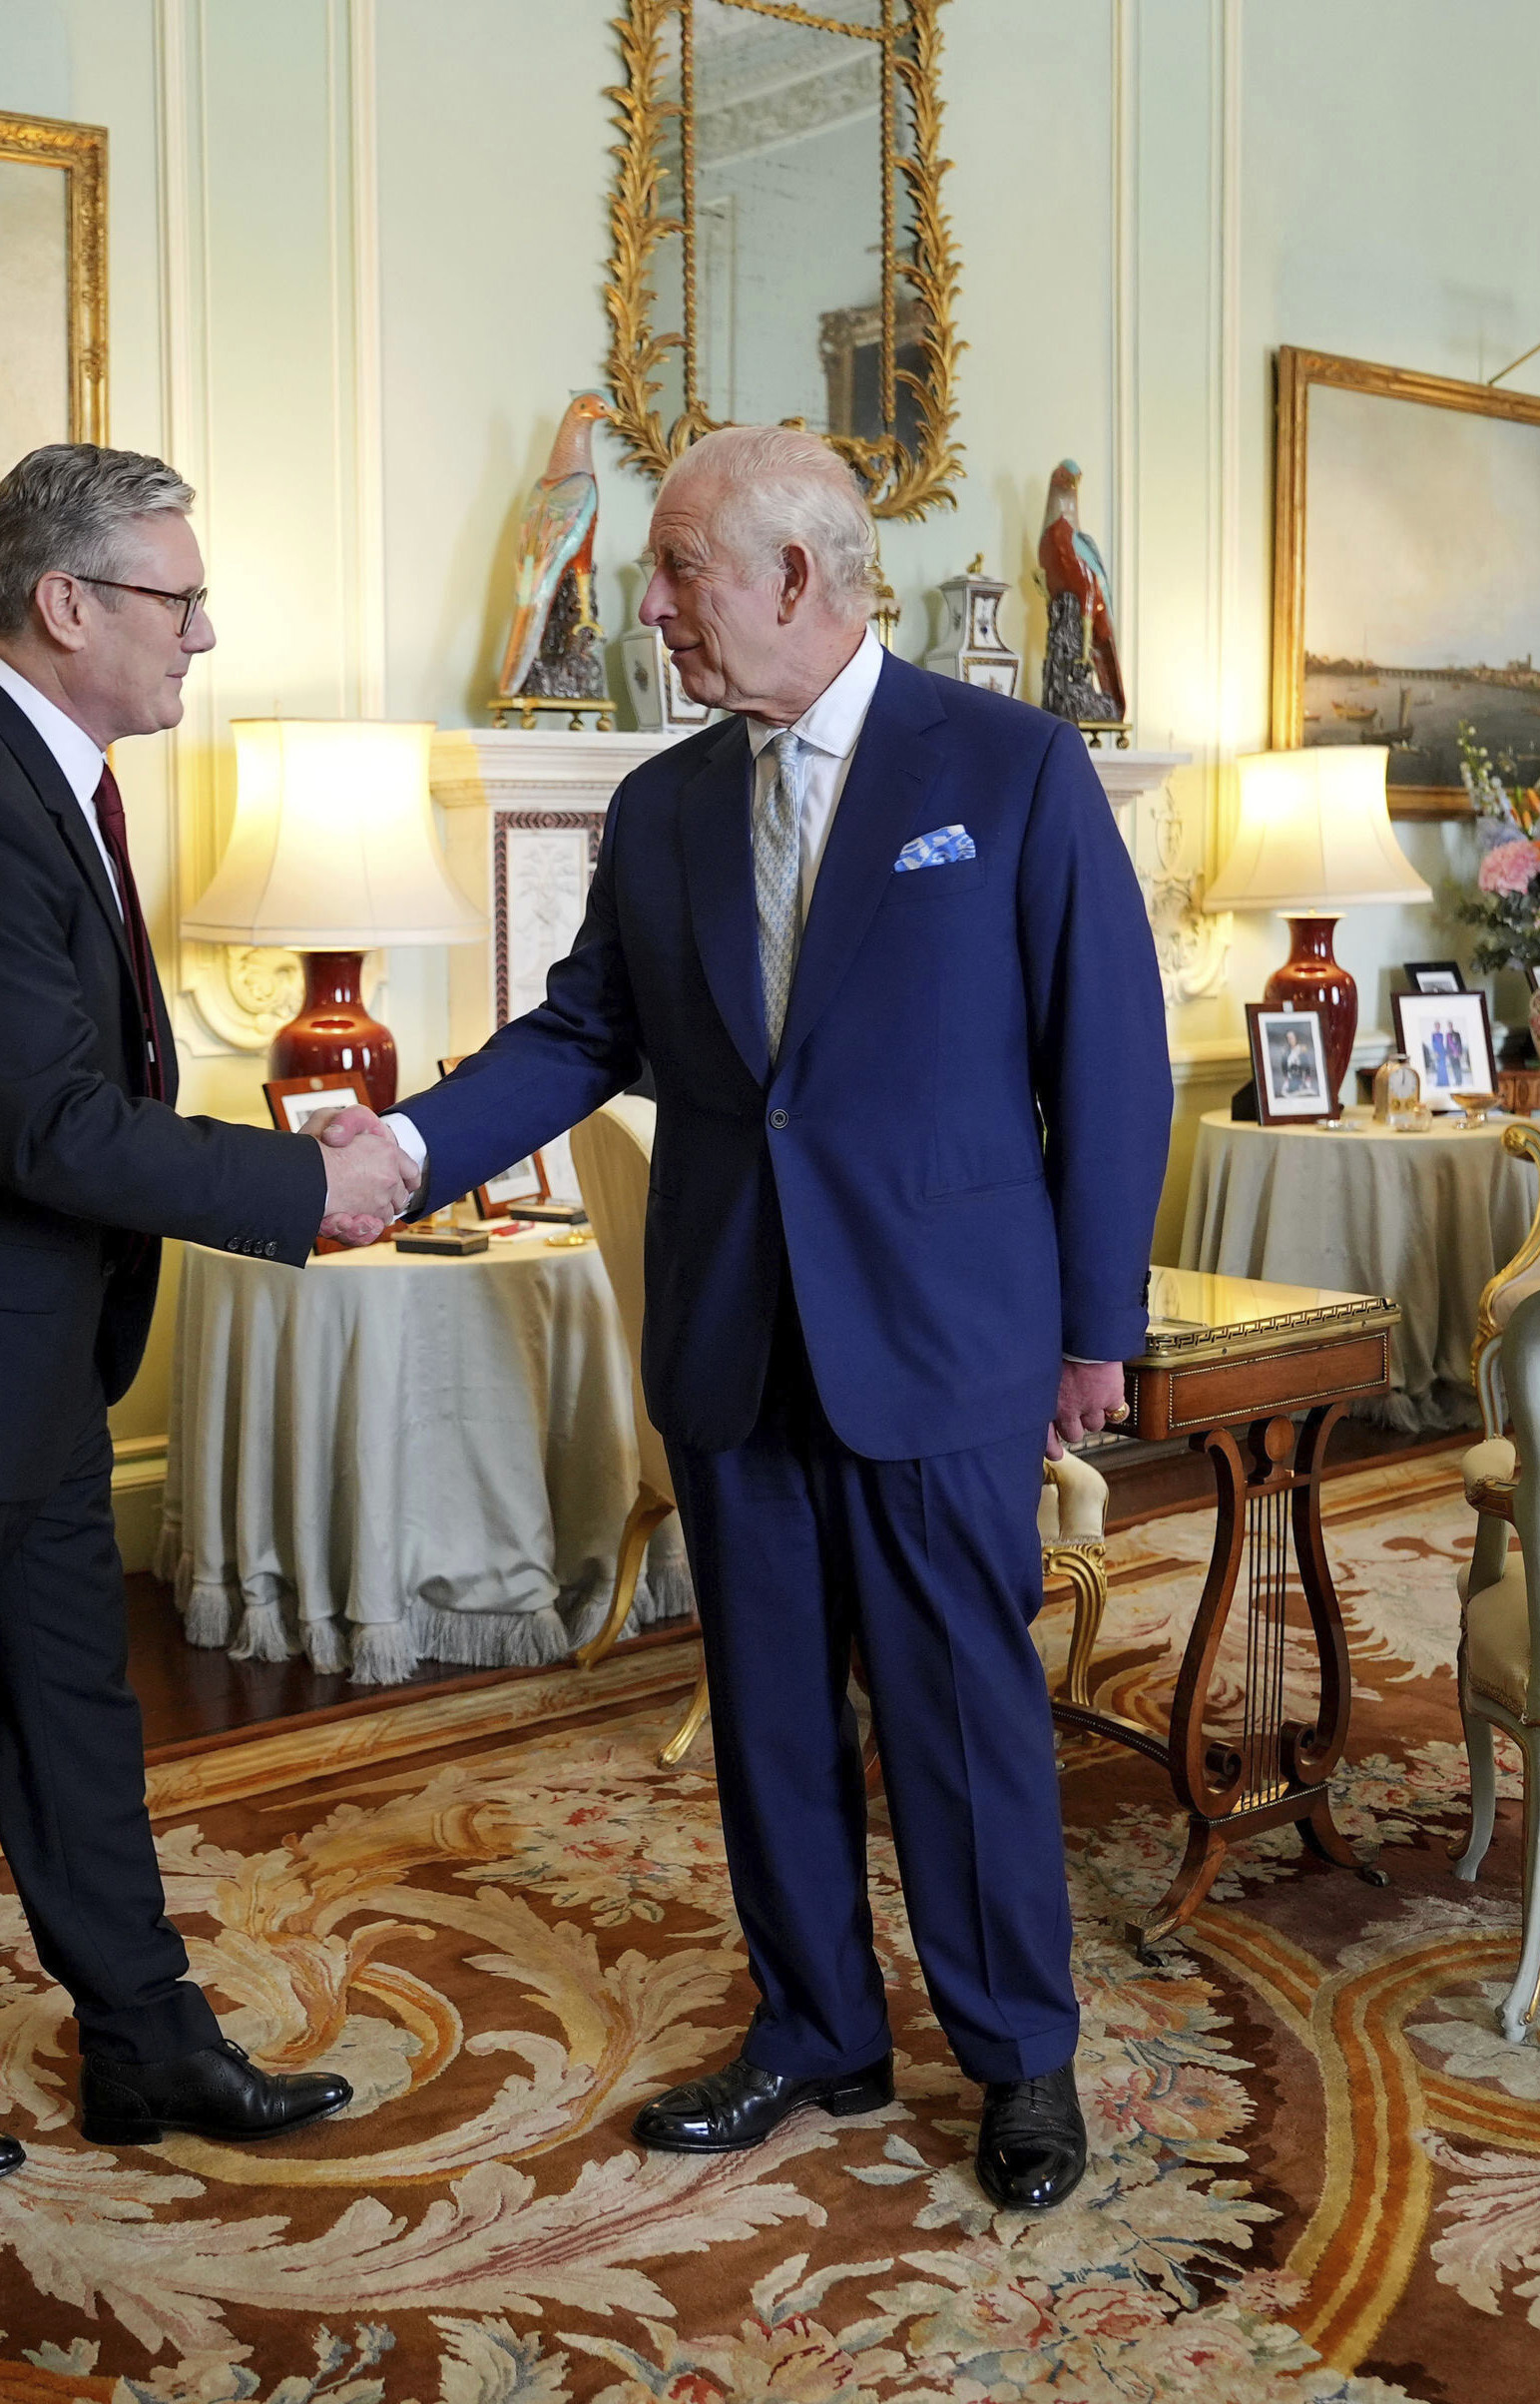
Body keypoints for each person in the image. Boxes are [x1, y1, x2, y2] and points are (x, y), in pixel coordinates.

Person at [385, 425, 1172, 2214]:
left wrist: (1092, 1319)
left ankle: (1018, 2056)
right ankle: (815, 2025)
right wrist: (410, 1148)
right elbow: (584, 1034)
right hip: (738, 1334)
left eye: (676, 573)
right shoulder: (662, 804)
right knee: (765, 1712)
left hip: (945, 1332)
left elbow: (1107, 1062)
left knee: (957, 1710)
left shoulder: (1016, 765)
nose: (648, 607)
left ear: (796, 579)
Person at [0, 443, 418, 2193]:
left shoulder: (43, 775)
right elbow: (43, 1123)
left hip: (10, 1352)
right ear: (70, 604)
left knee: (66, 1711)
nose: (203, 633)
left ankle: (144, 2035)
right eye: (178, 600)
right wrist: (297, 1189)